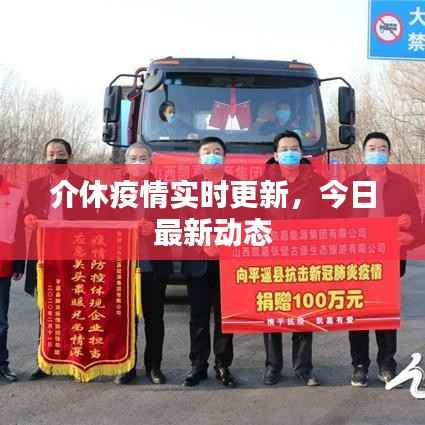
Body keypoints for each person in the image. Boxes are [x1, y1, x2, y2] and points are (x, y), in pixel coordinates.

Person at [341, 132, 421, 387]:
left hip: (390, 258)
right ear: (363, 153)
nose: (377, 152)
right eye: (372, 148)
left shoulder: (402, 184)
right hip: (357, 260)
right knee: (358, 312)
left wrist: (410, 231)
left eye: (382, 148)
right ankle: (359, 365)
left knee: (385, 313)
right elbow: (337, 222)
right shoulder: (350, 184)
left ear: (389, 153)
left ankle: (387, 363)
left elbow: (417, 223)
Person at [262, 130, 333, 387]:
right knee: (271, 312)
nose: (289, 153)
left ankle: (303, 367)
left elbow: (333, 220)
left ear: (302, 153)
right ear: (275, 155)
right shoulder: (261, 186)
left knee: (304, 312)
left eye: (294, 148)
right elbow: (249, 219)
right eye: (284, 149)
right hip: (269, 258)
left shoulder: (318, 184)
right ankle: (273, 367)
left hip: (306, 258)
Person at [25, 138, 95, 380]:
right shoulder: (35, 186)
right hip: (45, 255)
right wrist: (29, 217)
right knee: (47, 309)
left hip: (75, 255)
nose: (55, 157)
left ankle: (76, 360)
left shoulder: (85, 186)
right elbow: (28, 212)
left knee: (75, 309)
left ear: (69, 156)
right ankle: (45, 361)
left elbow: (93, 221)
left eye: (60, 153)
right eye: (51, 153)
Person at [113, 143, 171, 385]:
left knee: (154, 318)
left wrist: (155, 228)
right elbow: (103, 224)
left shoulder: (165, 191)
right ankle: (127, 366)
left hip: (153, 265)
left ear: (151, 162)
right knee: (125, 319)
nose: (138, 162)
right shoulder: (112, 191)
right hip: (123, 266)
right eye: (133, 158)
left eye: (143, 158)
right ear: (126, 163)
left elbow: (176, 225)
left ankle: (154, 366)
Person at [181, 137, 236, 388]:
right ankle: (198, 365)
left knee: (226, 317)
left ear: (224, 157)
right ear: (199, 158)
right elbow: (178, 223)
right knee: (198, 317)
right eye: (206, 152)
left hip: (228, 261)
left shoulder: (238, 188)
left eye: (216, 151)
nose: (212, 155)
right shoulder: (187, 188)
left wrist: (225, 242)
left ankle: (223, 365)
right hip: (197, 260)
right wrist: (201, 242)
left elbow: (248, 222)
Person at [0, 175, 25, 382]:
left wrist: (18, 264)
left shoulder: (15, 194)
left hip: (3, 266)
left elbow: (19, 231)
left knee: (1, 322)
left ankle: (2, 365)